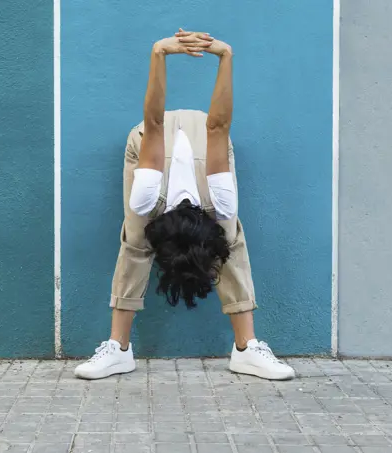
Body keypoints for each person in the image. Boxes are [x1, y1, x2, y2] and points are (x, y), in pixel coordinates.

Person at [74, 30, 295, 381]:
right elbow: (203, 124)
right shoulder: (217, 200)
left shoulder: (150, 197)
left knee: (150, 232)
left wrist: (160, 53)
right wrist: (225, 56)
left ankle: (246, 348)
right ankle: (118, 348)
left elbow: (161, 123)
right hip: (186, 142)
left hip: (187, 142)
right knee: (155, 237)